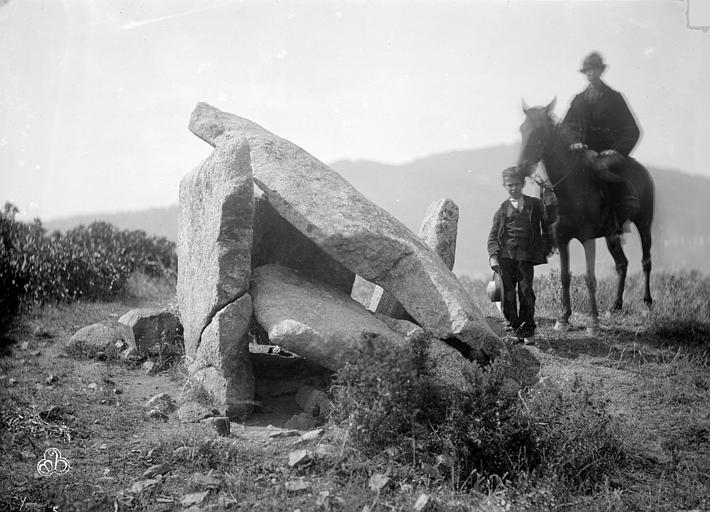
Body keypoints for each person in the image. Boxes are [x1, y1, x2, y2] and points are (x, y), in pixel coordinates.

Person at [561, 51, 641, 222]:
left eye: (595, 69)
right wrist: (574, 142)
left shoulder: (615, 98)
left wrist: (616, 150)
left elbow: (632, 129)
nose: (591, 73)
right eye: (588, 70)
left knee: (603, 169)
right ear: (585, 74)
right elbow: (566, 126)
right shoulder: (578, 100)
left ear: (601, 71)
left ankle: (617, 217)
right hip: (583, 153)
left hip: (608, 154)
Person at [487, 167, 553, 344]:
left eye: (516, 184)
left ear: (522, 184)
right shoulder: (502, 210)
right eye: (509, 185)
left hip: (526, 258)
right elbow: (493, 237)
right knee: (507, 294)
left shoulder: (535, 205)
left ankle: (528, 331)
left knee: (526, 292)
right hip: (505, 258)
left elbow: (547, 224)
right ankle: (514, 330)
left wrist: (547, 246)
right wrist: (493, 256)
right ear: (505, 186)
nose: (513, 188)